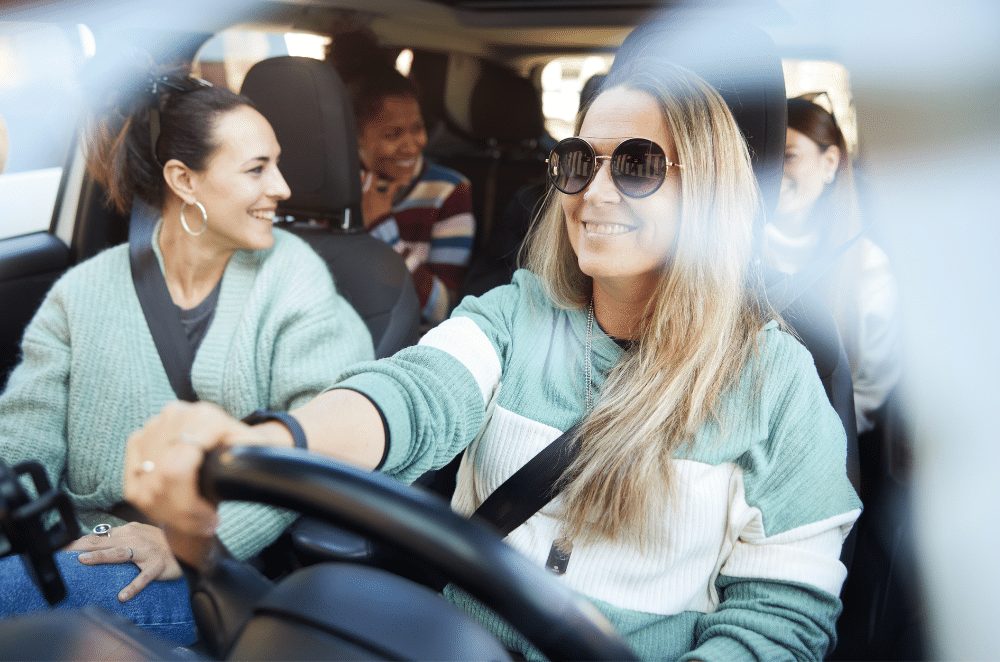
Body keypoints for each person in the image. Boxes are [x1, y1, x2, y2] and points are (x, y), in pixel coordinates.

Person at [125, 60, 861, 661]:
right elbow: (411, 395)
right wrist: (267, 442)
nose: (594, 192)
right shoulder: (517, 313)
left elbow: (779, 624)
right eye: (578, 162)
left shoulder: (779, 385)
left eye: (636, 165)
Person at [0, 71, 373, 643]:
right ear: (183, 180)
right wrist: (39, 539)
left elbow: (324, 448)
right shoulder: (81, 292)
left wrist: (184, 542)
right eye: (257, 168)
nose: (283, 187)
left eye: (276, 164)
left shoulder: (293, 277)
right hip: (82, 548)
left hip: (214, 566)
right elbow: (22, 448)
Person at [770, 95, 901, 433]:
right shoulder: (731, 253)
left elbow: (871, 387)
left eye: (788, 157)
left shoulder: (867, 265)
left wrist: (816, 438)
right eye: (766, 157)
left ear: (829, 163)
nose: (773, 171)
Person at [327, 30, 475, 326]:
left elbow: (442, 309)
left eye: (417, 128)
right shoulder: (330, 191)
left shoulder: (448, 191)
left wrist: (384, 230)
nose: (412, 145)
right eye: (393, 134)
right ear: (354, 138)